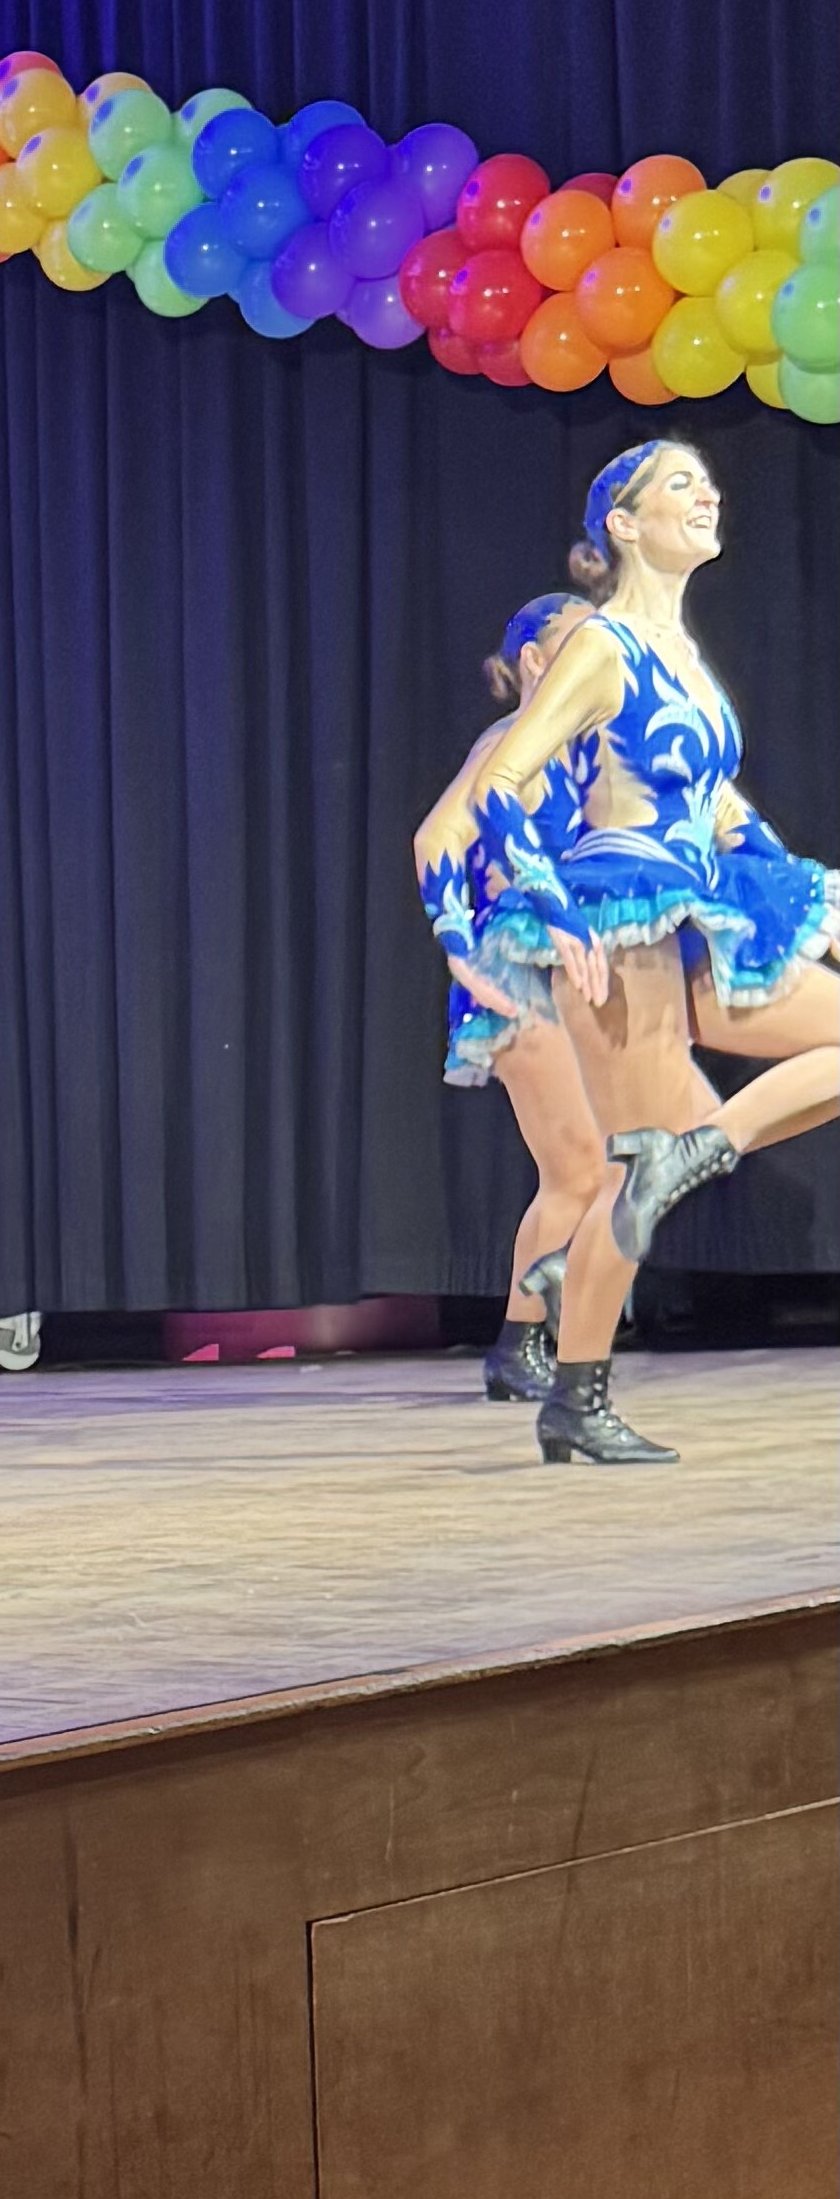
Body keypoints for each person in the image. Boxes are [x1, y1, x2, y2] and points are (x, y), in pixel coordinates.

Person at [472, 445, 840, 1464]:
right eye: (679, 484)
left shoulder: (681, 649)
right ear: (623, 524)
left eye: (705, 482)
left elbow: (716, 807)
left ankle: (694, 1151)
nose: (706, 492)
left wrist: (807, 896)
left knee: (654, 1166)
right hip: (620, 919)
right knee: (629, 1180)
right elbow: (501, 783)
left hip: (697, 909)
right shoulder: (603, 644)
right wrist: (551, 910)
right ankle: (575, 1398)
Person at [413, 596, 612, 1408]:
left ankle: (536, 1336)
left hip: (576, 970)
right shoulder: (508, 745)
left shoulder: (588, 753)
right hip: (515, 968)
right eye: (576, 646)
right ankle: (520, 1343)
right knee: (578, 1168)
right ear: (534, 661)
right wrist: (456, 944)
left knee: (596, 1169)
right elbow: (438, 836)